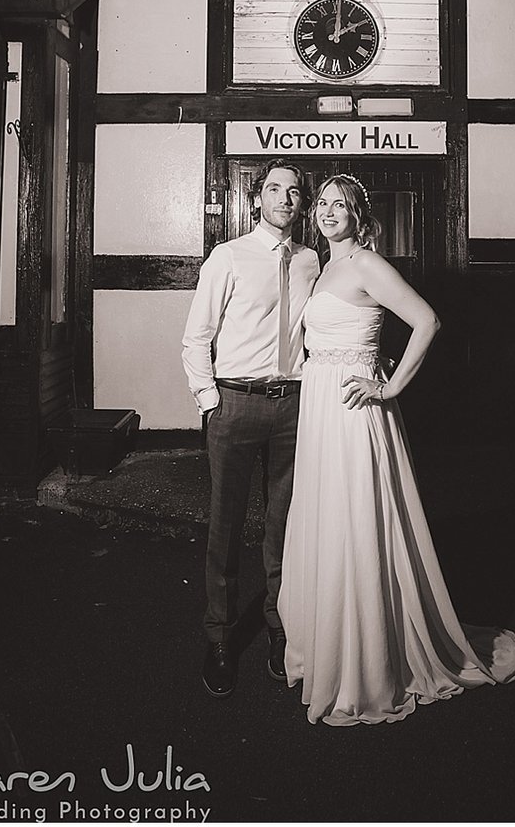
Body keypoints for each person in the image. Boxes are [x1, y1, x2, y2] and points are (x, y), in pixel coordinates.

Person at [278, 173, 515, 725]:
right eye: (321, 203)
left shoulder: (368, 264)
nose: (327, 212)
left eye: (339, 205)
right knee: (326, 520)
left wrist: (389, 387)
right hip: (321, 407)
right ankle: (328, 643)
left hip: (354, 413)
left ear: (358, 215)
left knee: (357, 523)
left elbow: (427, 321)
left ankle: (365, 662)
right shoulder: (324, 267)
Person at [182, 158, 319, 698]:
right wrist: (210, 401)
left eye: (293, 191)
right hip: (236, 405)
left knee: (284, 526)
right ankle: (218, 637)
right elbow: (197, 335)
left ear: (301, 203)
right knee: (226, 526)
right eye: (274, 188)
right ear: (257, 198)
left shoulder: (312, 260)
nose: (284, 198)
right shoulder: (229, 256)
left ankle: (279, 631)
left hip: (295, 406)